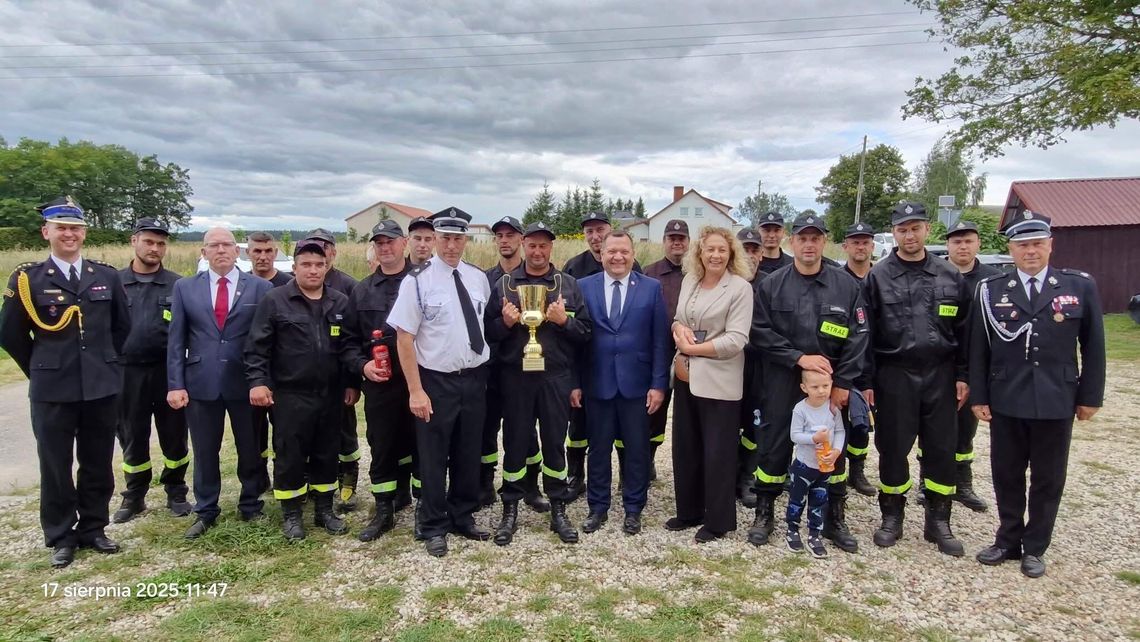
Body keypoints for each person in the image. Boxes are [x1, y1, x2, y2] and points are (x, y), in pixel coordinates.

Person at [969, 211, 1105, 578]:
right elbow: (979, 347)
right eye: (1023, 245)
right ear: (1011, 250)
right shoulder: (992, 290)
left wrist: (1090, 396)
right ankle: (1008, 540)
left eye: (1037, 244)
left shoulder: (1078, 286)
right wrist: (979, 395)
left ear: (1050, 246)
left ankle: (1035, 547)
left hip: (1056, 397)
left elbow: (1094, 346)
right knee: (1006, 473)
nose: (1030, 251)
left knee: (1048, 477)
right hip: (1007, 396)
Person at [0, 196, 130, 569]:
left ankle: (93, 528)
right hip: (52, 390)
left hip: (101, 387)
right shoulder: (28, 279)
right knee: (55, 464)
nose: (69, 234)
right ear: (47, 232)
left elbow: (123, 328)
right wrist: (41, 367)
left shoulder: (105, 276)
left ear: (83, 233)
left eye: (75, 228)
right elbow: (9, 333)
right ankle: (60, 535)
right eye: (61, 228)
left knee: (98, 461)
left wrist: (106, 363)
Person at [746, 213, 868, 555]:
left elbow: (859, 337)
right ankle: (764, 514)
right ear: (792, 241)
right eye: (803, 238)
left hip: (828, 386)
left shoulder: (846, 286)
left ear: (824, 241)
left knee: (831, 449)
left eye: (816, 238)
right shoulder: (772, 285)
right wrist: (798, 358)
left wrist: (843, 383)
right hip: (782, 379)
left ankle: (834, 518)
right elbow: (759, 332)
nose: (809, 245)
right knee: (773, 445)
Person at [862, 202, 970, 556]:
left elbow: (965, 332)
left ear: (928, 230)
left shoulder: (949, 275)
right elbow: (865, 333)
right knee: (893, 448)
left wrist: (964, 375)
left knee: (941, 449)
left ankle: (939, 520)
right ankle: (891, 517)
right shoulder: (878, 277)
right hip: (895, 375)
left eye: (915, 228)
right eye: (902, 229)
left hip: (941, 375)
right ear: (894, 233)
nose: (909, 235)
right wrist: (867, 381)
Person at [387, 207, 491, 557]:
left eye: (457, 238)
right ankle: (433, 524)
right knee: (433, 456)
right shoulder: (417, 281)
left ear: (466, 240)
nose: (451, 245)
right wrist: (415, 390)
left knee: (468, 451)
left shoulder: (477, 278)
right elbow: (404, 338)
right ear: (434, 240)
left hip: (473, 378)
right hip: (435, 381)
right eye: (444, 238)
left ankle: (462, 515)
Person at [485, 221, 592, 545]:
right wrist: (504, 323)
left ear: (551, 248)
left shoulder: (568, 285)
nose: (537, 251)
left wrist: (563, 323)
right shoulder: (505, 285)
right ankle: (510, 509)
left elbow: (585, 334)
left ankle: (558, 508)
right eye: (532, 245)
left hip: (555, 378)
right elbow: (487, 333)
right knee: (515, 443)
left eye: (543, 245)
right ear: (523, 245)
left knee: (554, 444)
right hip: (516, 377)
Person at [245, 241, 356, 540]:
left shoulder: (339, 302)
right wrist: (258, 381)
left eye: (319, 265)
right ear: (294, 268)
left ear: (326, 267)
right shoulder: (275, 300)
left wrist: (351, 383)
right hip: (290, 394)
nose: (313, 270)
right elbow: (257, 347)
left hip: (331, 393)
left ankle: (324, 510)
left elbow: (349, 346)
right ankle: (292, 514)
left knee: (327, 452)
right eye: (306, 264)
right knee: (290, 454)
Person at [168, 227, 274, 540]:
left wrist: (265, 381)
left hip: (246, 381)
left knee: (250, 447)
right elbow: (176, 340)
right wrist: (175, 384)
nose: (221, 250)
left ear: (237, 251)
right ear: (204, 252)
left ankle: (251, 503)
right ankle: (206, 509)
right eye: (213, 246)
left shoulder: (260, 288)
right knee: (205, 450)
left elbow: (268, 340)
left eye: (227, 244)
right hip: (201, 382)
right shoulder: (185, 288)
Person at [577, 230, 668, 536]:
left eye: (624, 252)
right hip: (597, 382)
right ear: (601, 254)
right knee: (598, 449)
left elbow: (660, 340)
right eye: (612, 252)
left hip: (637, 384)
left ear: (633, 254)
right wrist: (575, 383)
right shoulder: (583, 287)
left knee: (637, 449)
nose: (618, 257)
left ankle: (633, 508)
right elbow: (575, 340)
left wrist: (658, 384)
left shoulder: (651, 288)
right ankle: (597, 507)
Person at [666, 226, 752, 543]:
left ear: (731, 254)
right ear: (699, 252)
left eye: (722, 250)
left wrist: (693, 349)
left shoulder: (740, 288)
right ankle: (689, 511)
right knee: (686, 448)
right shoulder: (691, 280)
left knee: (718, 454)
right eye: (709, 249)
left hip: (720, 380)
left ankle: (718, 521)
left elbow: (736, 340)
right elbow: (679, 319)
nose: (715, 255)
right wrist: (678, 332)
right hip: (687, 376)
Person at [112, 217, 191, 524]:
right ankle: (134, 495)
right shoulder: (114, 282)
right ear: (134, 241)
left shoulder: (178, 285)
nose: (155, 248)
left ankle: (176, 491)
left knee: (175, 435)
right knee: (132, 434)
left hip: (167, 372)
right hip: (127, 372)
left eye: (160, 243)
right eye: (148, 241)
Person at [343, 220, 418, 542]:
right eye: (379, 243)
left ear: (404, 243)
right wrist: (363, 367)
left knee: (422, 445)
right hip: (381, 383)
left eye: (390, 242)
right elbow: (348, 342)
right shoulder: (362, 290)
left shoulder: (423, 281)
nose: (385, 248)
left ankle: (424, 508)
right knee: (383, 445)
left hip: (419, 380)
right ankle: (384, 509)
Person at [562, 211, 642, 499]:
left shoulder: (633, 268)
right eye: (589, 232)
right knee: (579, 426)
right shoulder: (573, 268)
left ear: (610, 231)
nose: (595, 236)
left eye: (600, 230)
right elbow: (568, 325)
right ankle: (576, 476)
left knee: (622, 430)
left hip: (621, 368)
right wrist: (574, 376)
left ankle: (626, 480)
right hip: (588, 362)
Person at [481, 215, 548, 513]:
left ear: (521, 239)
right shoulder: (484, 279)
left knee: (525, 430)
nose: (504, 240)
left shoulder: (534, 279)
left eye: (510, 235)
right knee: (486, 428)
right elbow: (483, 326)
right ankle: (484, 485)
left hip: (523, 369)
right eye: (500, 236)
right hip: (489, 369)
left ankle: (531, 486)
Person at [299, 229, 363, 512]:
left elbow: (355, 339)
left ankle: (348, 479)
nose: (319, 254)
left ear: (333, 253)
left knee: (345, 431)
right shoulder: (294, 285)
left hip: (339, 375)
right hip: (305, 379)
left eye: (324, 248)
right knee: (310, 433)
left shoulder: (349, 287)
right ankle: (312, 482)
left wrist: (353, 381)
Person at [945, 219, 1002, 512]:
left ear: (978, 243)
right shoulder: (935, 275)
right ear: (948, 245)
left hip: (977, 366)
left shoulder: (993, 281)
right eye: (957, 242)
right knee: (935, 428)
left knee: (967, 427)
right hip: (941, 365)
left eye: (968, 241)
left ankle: (963, 483)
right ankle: (931, 480)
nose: (963, 247)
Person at [246, 231, 293, 494]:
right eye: (257, 251)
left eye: (268, 251)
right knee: (253, 431)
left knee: (285, 431)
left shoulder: (289, 284)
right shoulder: (241, 285)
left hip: (284, 373)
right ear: (248, 253)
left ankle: (286, 478)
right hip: (253, 371)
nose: (263, 256)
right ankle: (258, 478)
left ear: (275, 253)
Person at [642, 219, 689, 479]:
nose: (677, 242)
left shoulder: (698, 272)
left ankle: (687, 467)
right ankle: (647, 460)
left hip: (691, 354)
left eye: (681, 238)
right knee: (654, 412)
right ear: (664, 241)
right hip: (658, 353)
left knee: (688, 412)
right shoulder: (649, 273)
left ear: (688, 242)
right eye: (672, 238)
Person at [785, 370, 845, 558]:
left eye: (826, 386)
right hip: (803, 466)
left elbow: (840, 431)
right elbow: (794, 435)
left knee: (819, 502)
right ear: (804, 388)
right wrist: (813, 438)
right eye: (815, 387)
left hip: (824, 467)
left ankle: (814, 534)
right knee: (797, 500)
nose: (821, 391)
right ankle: (792, 530)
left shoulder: (832, 408)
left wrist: (836, 451)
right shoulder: (801, 409)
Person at [839, 221, 876, 496]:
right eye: (855, 242)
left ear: (872, 246)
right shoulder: (837, 280)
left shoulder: (882, 278)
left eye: (865, 242)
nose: (860, 247)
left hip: (878, 361)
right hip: (847, 362)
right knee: (848, 420)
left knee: (865, 424)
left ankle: (858, 469)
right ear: (846, 246)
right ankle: (838, 469)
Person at [735, 226, 764, 509]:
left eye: (755, 249)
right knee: (727, 425)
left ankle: (747, 477)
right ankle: (725, 475)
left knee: (755, 428)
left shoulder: (771, 285)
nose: (750, 255)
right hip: (729, 365)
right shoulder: (724, 283)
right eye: (745, 249)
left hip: (759, 367)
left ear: (762, 254)